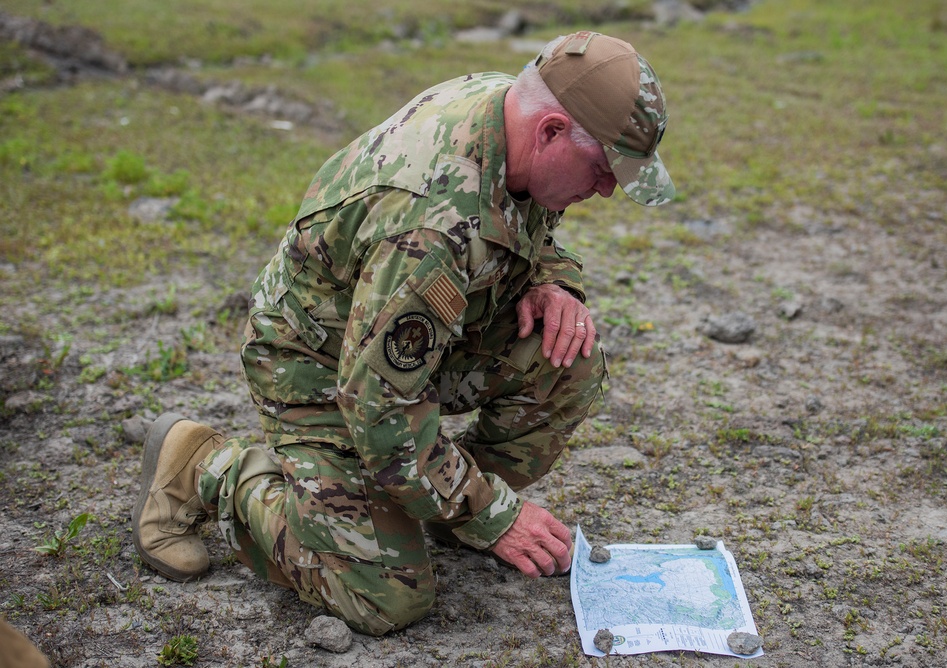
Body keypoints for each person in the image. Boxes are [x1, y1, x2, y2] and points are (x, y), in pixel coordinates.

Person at [131, 30, 674, 636]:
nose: (605, 189)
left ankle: (434, 502)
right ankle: (212, 467)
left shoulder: (516, 112)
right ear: (549, 131)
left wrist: (554, 282)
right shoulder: (431, 223)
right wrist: (494, 514)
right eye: (602, 169)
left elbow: (532, 227)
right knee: (388, 599)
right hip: (318, 365)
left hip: (408, 342)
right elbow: (378, 407)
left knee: (569, 360)